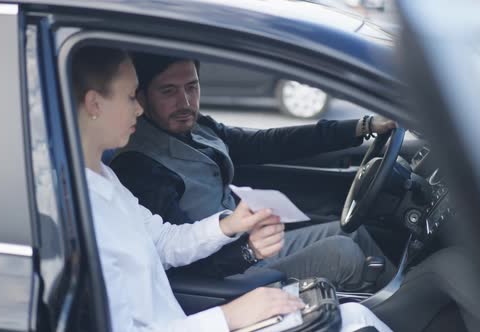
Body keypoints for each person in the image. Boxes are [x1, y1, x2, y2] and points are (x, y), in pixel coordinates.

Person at [73, 45, 392, 331]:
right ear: (95, 104)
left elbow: (165, 241)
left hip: (195, 316)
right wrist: (230, 314)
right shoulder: (96, 201)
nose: (138, 110)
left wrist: (230, 224)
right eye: (132, 97)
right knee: (352, 297)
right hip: (215, 298)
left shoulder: (107, 180)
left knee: (355, 311)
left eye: (192, 87)